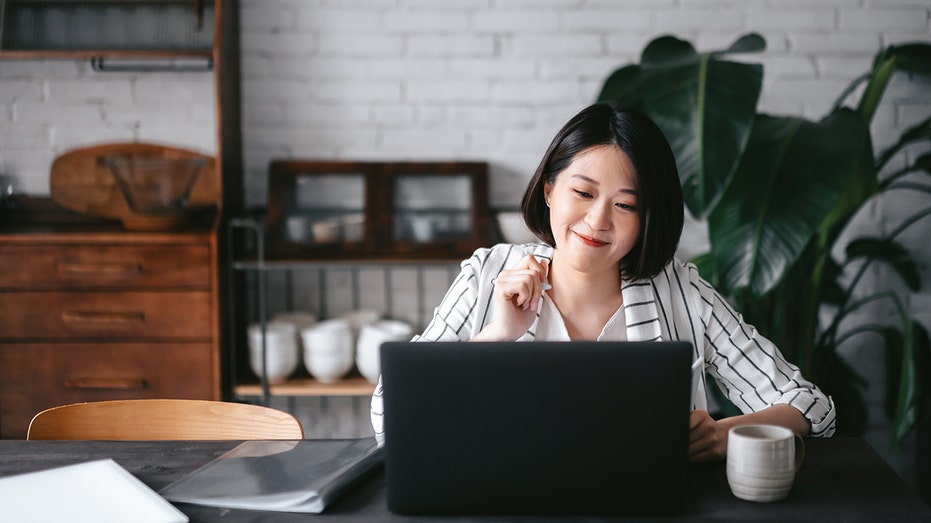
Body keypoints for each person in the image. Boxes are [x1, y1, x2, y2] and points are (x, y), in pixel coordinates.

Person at [370, 103, 836, 460]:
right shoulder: (487, 275)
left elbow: (810, 406)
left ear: (647, 218)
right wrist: (496, 336)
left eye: (626, 205)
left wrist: (723, 432)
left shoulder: (681, 291)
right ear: (550, 190)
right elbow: (392, 416)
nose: (597, 221)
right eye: (583, 192)